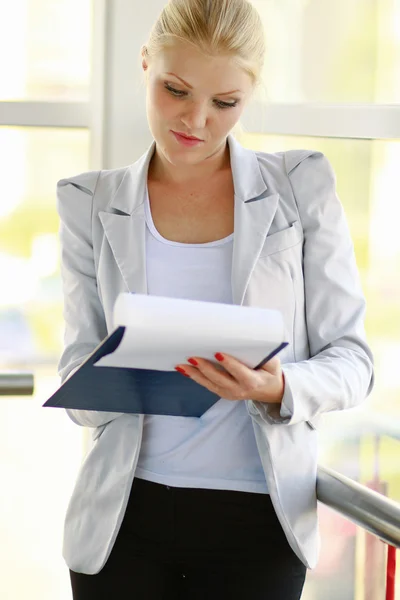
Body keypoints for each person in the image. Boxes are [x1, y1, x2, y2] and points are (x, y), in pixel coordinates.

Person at [56, 0, 374, 598]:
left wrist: (277, 388)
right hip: (125, 523)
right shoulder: (89, 202)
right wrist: (120, 377)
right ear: (145, 63)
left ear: (248, 96)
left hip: (258, 522)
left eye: (225, 103)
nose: (196, 120)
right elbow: (78, 380)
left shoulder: (300, 187)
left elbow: (354, 361)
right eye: (175, 90)